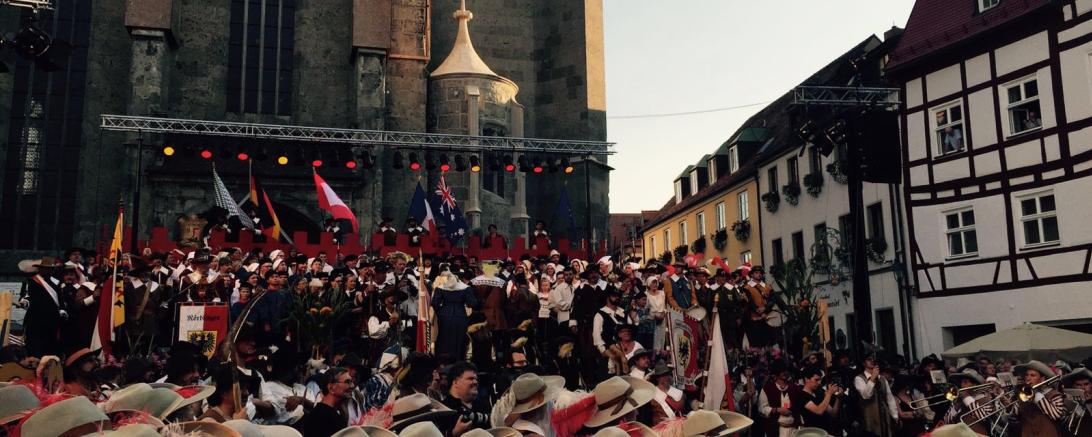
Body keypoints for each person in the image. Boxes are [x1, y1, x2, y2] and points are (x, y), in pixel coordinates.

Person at [21, 257, 68, 358]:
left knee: (50, 346)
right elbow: (26, 296)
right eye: (45, 268)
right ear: (40, 269)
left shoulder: (57, 283)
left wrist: (62, 310)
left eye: (50, 269)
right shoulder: (31, 281)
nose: (48, 270)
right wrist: (25, 302)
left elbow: (61, 300)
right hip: (35, 319)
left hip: (52, 320)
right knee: (34, 346)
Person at [432, 271, 479, 361]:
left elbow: (435, 303)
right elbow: (473, 303)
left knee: (444, 339)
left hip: (444, 316)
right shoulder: (466, 288)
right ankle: (459, 360)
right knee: (459, 339)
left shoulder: (440, 288)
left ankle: (443, 361)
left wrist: (440, 311)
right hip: (461, 316)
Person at [442, 362, 491, 436]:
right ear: (455, 382)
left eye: (476, 379)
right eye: (470, 378)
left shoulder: (482, 405)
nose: (475, 382)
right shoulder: (443, 409)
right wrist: (453, 433)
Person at [854, 354, 898, 437]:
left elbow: (890, 398)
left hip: (885, 417)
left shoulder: (882, 379)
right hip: (870, 417)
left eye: (873, 359)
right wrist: (872, 378)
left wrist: (895, 416)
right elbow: (866, 395)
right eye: (869, 359)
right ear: (863, 363)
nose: (872, 361)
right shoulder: (859, 378)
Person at [302, 367, 352, 437]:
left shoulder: (329, 413)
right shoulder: (320, 417)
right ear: (331, 388)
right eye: (347, 382)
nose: (352, 386)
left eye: (351, 382)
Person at [758, 362, 801, 437]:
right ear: (775, 374)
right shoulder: (767, 389)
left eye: (785, 370)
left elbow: (800, 408)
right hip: (776, 430)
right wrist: (777, 409)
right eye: (782, 371)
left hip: (793, 429)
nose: (785, 373)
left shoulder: (794, 388)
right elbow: (762, 409)